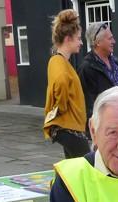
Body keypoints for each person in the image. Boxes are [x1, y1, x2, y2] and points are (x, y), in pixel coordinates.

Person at [43, 9, 90, 158]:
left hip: (70, 128)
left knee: (72, 172)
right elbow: (61, 82)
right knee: (87, 168)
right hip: (69, 128)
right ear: (68, 39)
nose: (81, 42)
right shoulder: (58, 62)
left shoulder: (61, 62)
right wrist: (61, 107)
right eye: (78, 38)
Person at [78, 22, 118, 130]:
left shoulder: (116, 62)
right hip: (103, 129)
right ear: (98, 42)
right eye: (110, 39)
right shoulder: (87, 68)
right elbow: (88, 105)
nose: (114, 42)